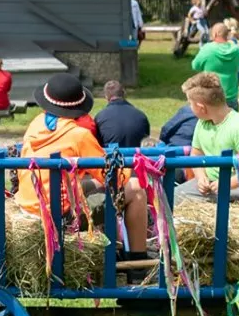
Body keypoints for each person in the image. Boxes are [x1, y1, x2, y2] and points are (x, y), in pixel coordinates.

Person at [13, 74, 150, 256]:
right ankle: (138, 261)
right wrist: (134, 168)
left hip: (29, 206)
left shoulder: (35, 125)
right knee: (135, 188)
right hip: (60, 217)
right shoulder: (79, 135)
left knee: (96, 185)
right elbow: (116, 178)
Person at [176, 72, 239, 205]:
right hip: (211, 185)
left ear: (201, 107)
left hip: (238, 187)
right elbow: (196, 154)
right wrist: (201, 178)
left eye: (190, 103)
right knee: (173, 196)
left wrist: (229, 183)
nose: (190, 107)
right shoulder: (202, 122)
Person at [189, 21, 239, 109]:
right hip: (231, 98)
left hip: (212, 97)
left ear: (215, 34)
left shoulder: (208, 49)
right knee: (231, 122)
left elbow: (195, 65)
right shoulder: (236, 50)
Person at [93, 79, 150, 149]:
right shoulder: (141, 116)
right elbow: (146, 140)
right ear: (124, 93)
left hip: (112, 158)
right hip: (134, 158)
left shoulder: (100, 117)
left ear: (106, 97)